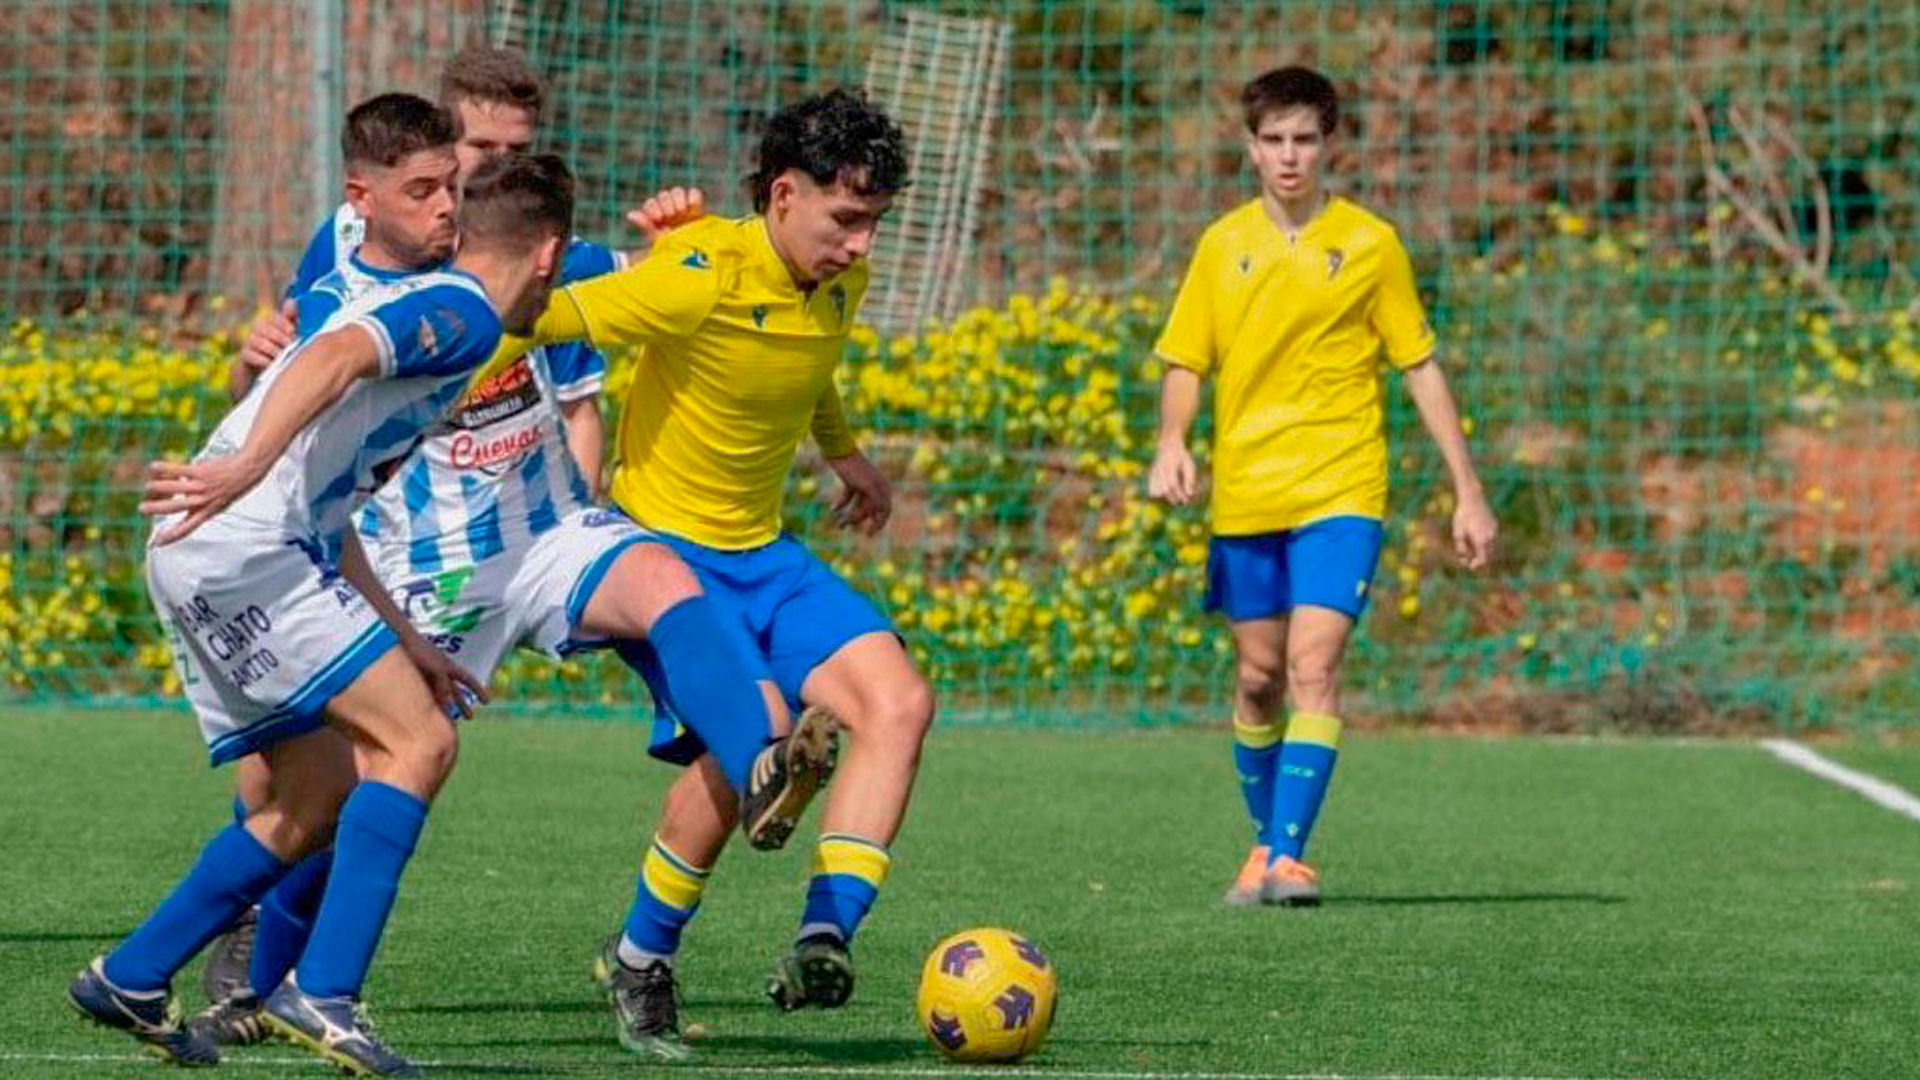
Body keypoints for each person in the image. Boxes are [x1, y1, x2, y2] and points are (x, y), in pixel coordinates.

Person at [68, 134, 572, 1078]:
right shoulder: (464, 312)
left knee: (317, 794)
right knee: (419, 744)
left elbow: (330, 498)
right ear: (546, 255)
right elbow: (335, 353)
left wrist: (406, 639)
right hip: (245, 544)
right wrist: (248, 465)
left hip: (215, 547)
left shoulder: (427, 302)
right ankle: (324, 993)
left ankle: (131, 975)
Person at [497, 87, 935, 1051]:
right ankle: (641, 961)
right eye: (848, 219)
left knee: (897, 703)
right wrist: (404, 357)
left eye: (874, 224)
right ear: (784, 194)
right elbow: (537, 314)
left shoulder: (835, 280)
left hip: (766, 556)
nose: (863, 245)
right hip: (668, 563)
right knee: (755, 743)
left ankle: (823, 937)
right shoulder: (696, 271)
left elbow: (808, 368)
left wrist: (846, 451)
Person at [1146, 66, 1497, 907]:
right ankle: (1264, 848)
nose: (1290, 156)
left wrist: (1468, 489)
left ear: (1330, 144)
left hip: (1342, 488)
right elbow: (1186, 359)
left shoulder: (1372, 244)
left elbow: (1419, 366)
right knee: (1258, 679)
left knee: (1314, 665)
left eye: (1306, 138)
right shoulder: (1221, 245)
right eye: (1274, 140)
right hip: (1247, 495)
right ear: (1251, 148)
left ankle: (1285, 858)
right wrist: (1171, 441)